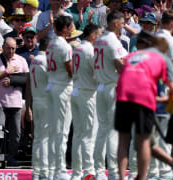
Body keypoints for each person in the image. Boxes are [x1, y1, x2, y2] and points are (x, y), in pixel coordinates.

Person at [115, 32, 173, 180]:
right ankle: (142, 177)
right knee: (144, 140)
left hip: (122, 94)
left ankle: (122, 177)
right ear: (165, 50)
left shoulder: (135, 54)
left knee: (123, 139)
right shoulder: (163, 58)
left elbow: (119, 64)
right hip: (143, 96)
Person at [93, 10, 128, 180]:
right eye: (122, 23)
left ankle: (99, 171)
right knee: (113, 131)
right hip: (112, 86)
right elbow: (119, 64)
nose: (123, 26)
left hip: (101, 86)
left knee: (102, 130)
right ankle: (113, 172)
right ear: (115, 23)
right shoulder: (112, 40)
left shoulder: (99, 39)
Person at [0, 37, 29, 166]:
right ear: (2, 47)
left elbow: (27, 79)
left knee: (16, 133)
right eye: (8, 48)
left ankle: (11, 156)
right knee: (0, 131)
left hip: (15, 102)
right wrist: (6, 72)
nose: (10, 51)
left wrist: (12, 80)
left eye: (13, 48)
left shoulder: (21, 60)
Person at [70, 24, 102, 180]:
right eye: (99, 35)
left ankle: (77, 172)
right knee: (89, 133)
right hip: (87, 93)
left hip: (76, 90)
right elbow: (97, 74)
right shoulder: (90, 50)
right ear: (93, 35)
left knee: (78, 134)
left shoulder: (78, 48)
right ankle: (89, 171)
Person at [46, 15, 74, 180]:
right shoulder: (65, 46)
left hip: (52, 86)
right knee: (62, 131)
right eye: (70, 26)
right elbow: (71, 71)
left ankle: (52, 168)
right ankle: (60, 170)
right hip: (63, 88)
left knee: (54, 130)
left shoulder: (50, 44)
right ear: (64, 28)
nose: (72, 28)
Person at [25, 37, 51, 180]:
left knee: (39, 137)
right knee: (45, 137)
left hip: (37, 101)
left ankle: (37, 170)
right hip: (46, 102)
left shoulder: (34, 61)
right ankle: (45, 171)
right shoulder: (46, 61)